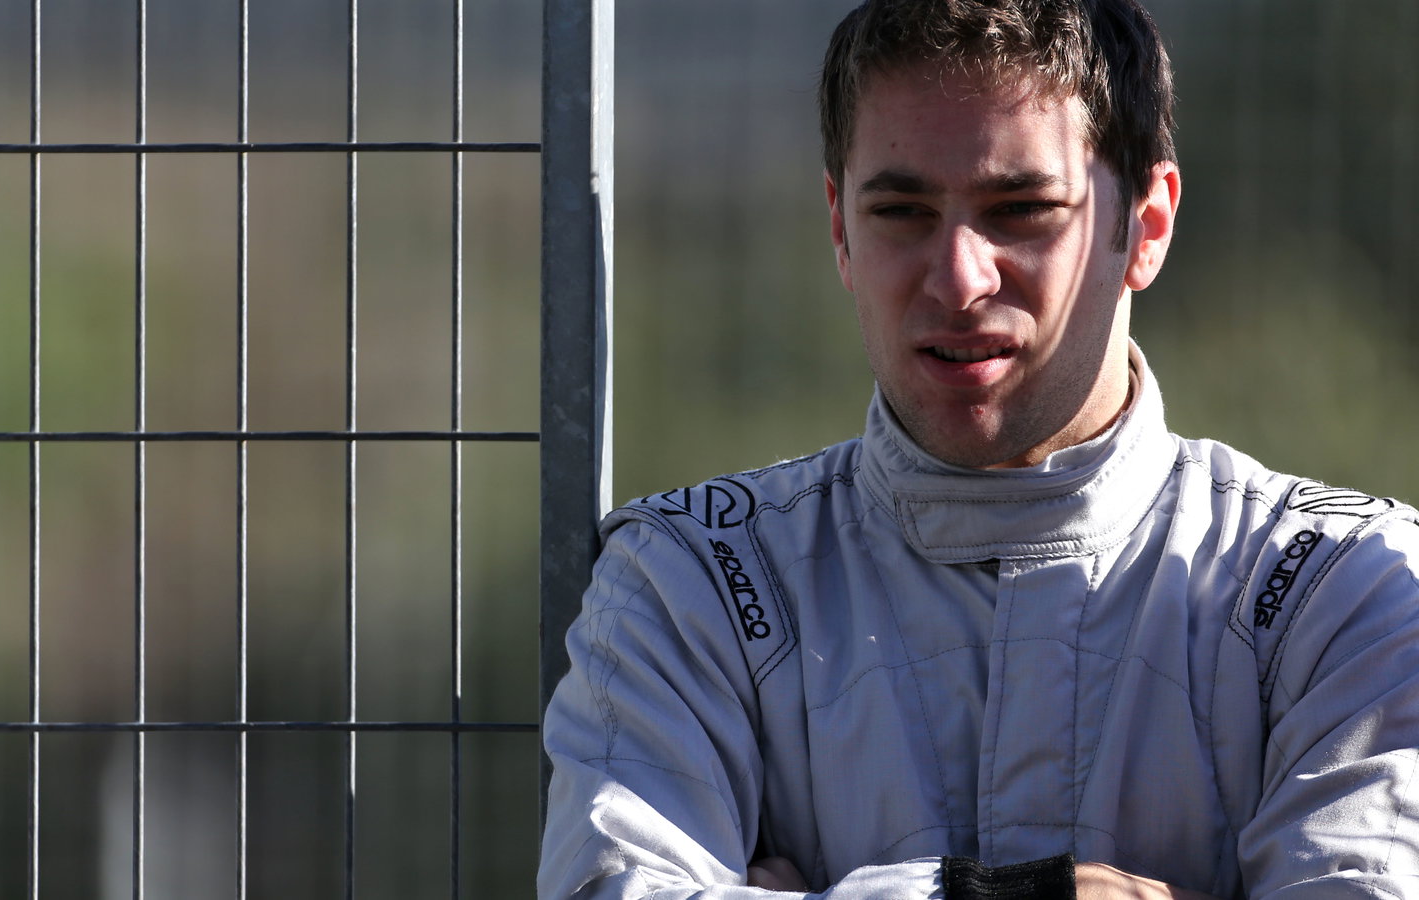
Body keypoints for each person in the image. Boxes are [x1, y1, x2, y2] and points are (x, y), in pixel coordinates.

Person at [538, 0, 1419, 897]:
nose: (959, 279)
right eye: (902, 211)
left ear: (1147, 225)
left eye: (1023, 210)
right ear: (841, 230)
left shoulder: (1347, 588)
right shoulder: (693, 581)